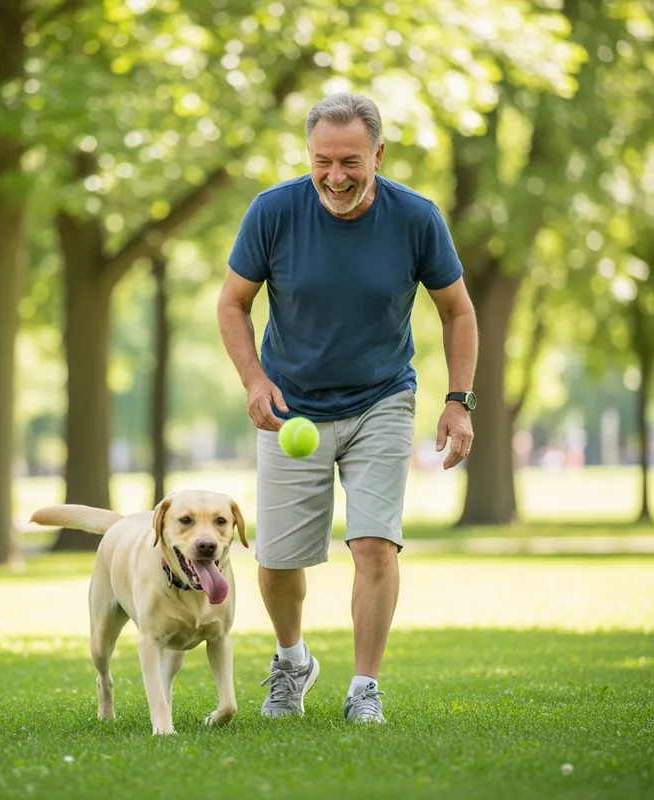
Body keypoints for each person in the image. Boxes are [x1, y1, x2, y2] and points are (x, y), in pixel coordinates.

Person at [216, 92, 478, 724]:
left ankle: (365, 687)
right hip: (289, 407)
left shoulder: (416, 218)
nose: (335, 176)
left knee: (374, 545)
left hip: (381, 398)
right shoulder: (273, 212)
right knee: (276, 560)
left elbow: (458, 310)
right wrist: (253, 380)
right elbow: (232, 304)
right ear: (309, 155)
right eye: (322, 161)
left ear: (378, 155)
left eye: (351, 162)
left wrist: (458, 402)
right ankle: (291, 662)